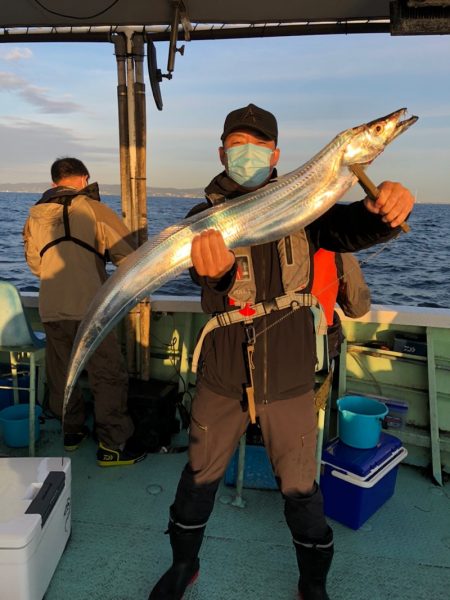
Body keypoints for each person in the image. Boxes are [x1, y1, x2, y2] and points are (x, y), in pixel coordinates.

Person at [147, 104, 415, 600]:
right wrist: (218, 272)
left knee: (300, 488)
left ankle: (312, 584)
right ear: (222, 152)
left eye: (256, 145)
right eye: (236, 145)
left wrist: (387, 210)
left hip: (288, 371)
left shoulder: (307, 202)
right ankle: (184, 566)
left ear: (275, 153)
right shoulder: (200, 219)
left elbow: (350, 228)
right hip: (223, 371)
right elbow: (207, 285)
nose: (245, 153)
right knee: (199, 476)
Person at [23, 157, 145, 467]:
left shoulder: (34, 216)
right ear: (84, 178)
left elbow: (36, 266)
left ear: (54, 183)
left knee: (63, 374)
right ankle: (112, 445)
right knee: (107, 375)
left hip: (51, 307)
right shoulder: (95, 209)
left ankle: (71, 432)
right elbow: (128, 258)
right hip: (92, 309)